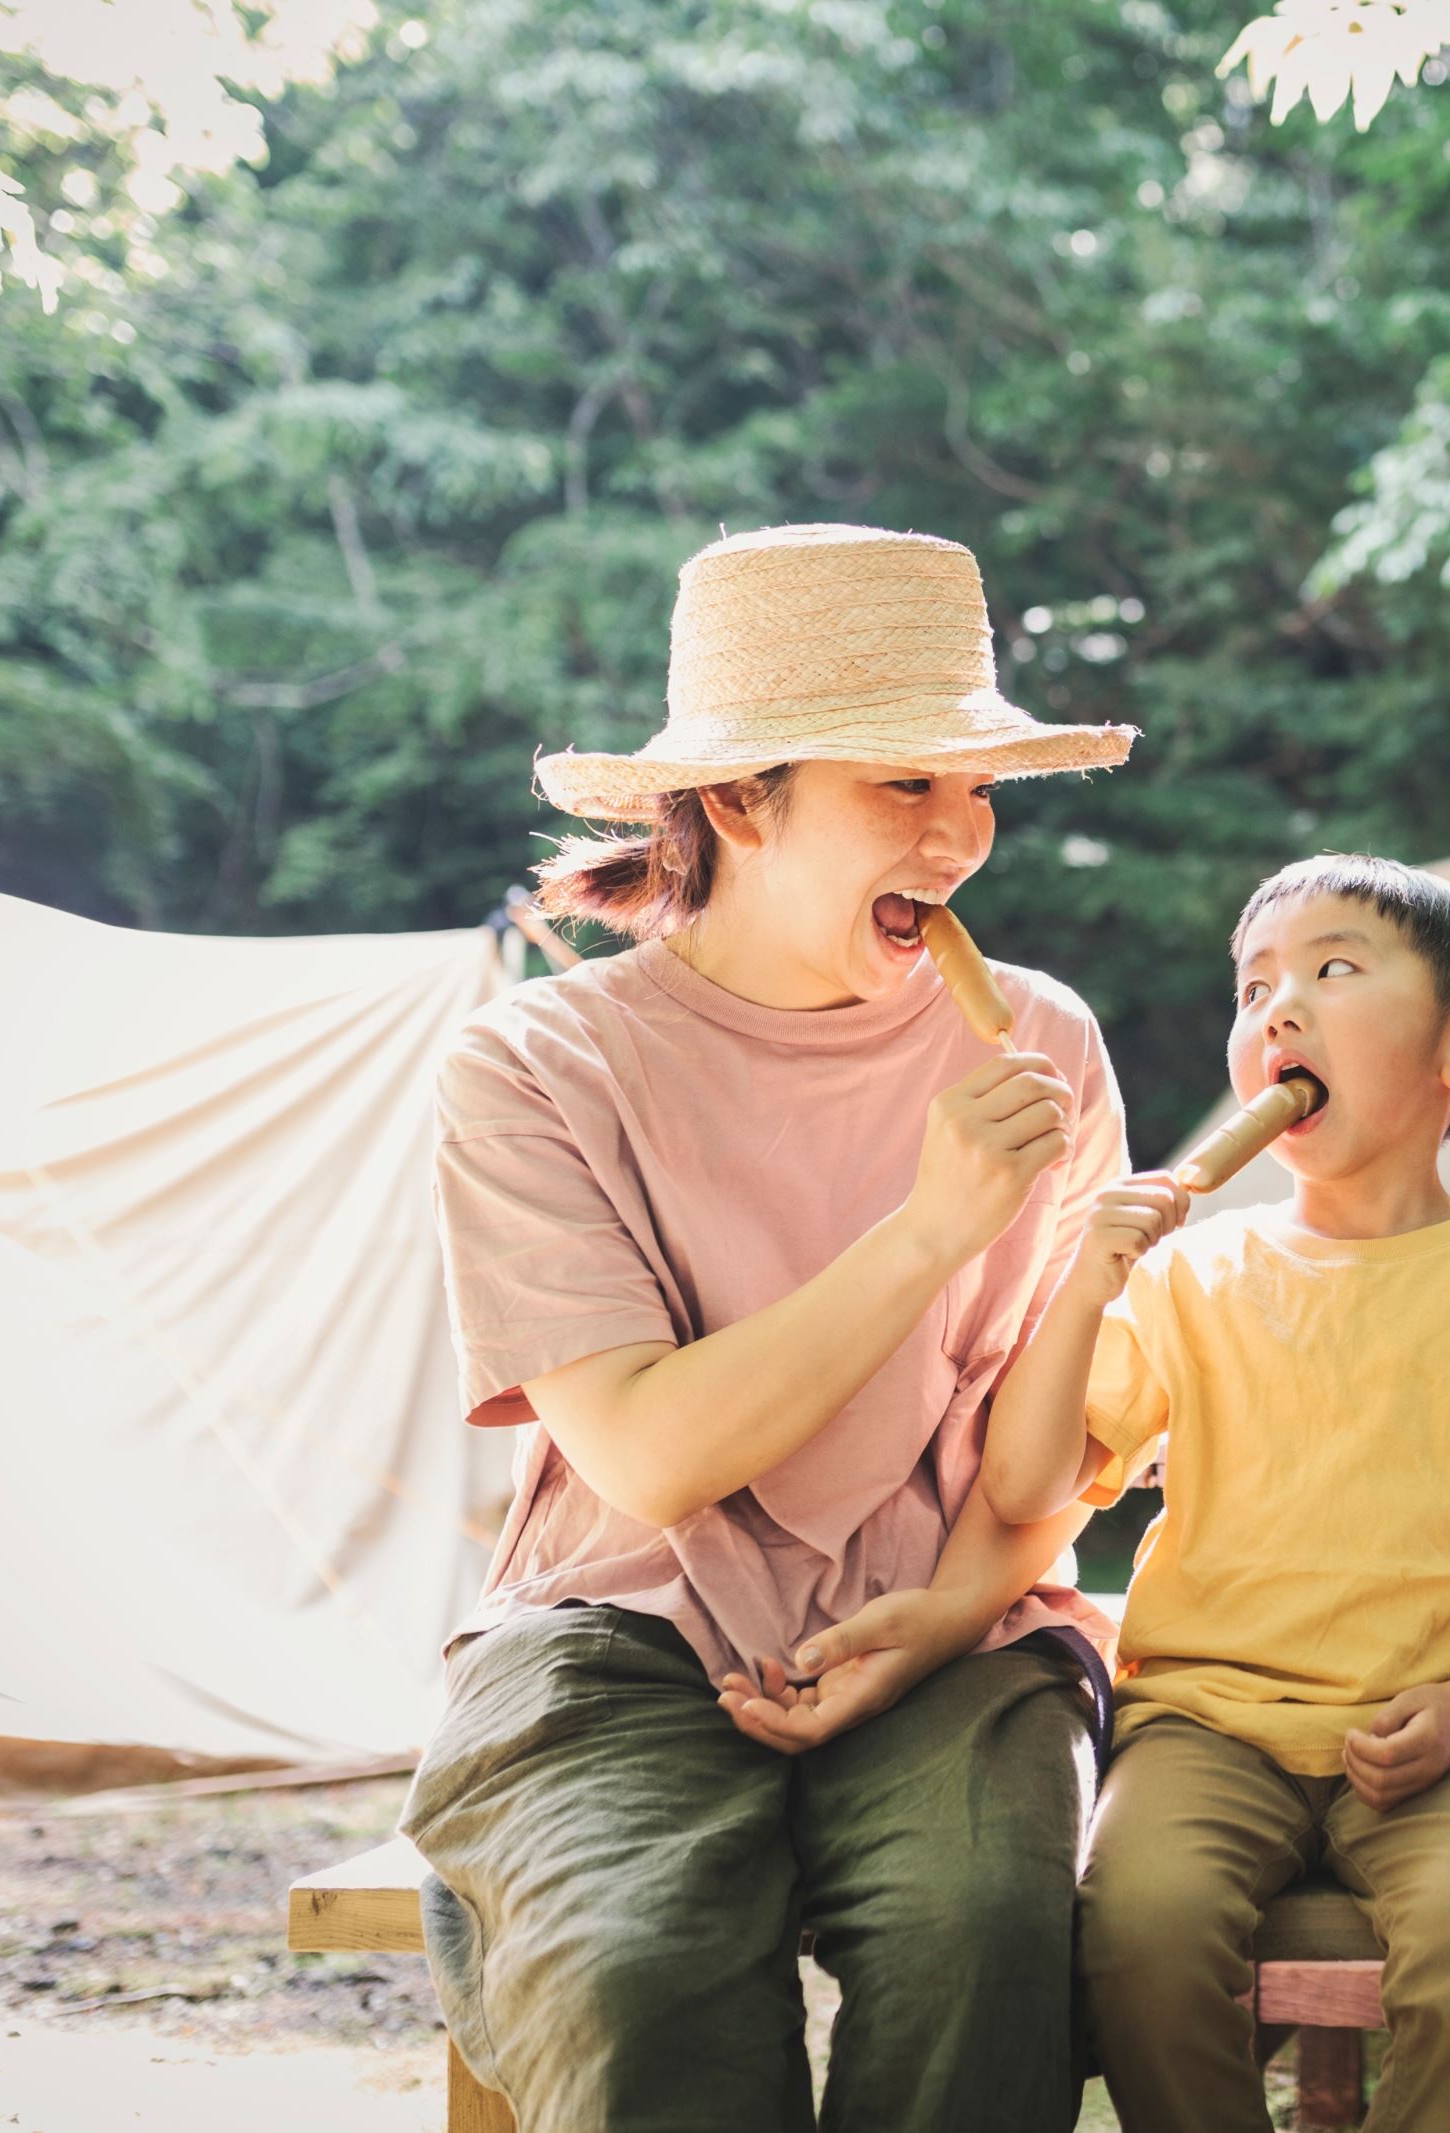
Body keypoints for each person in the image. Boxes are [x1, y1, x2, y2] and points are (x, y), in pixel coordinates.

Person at [400, 523, 1135, 2133]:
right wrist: (933, 1222)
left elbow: (1063, 1442)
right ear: (740, 801)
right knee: (638, 1970)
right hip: (618, 1626)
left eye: (976, 789)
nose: (959, 838)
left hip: (953, 1619)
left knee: (988, 1933)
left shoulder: (1045, 1045)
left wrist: (945, 1617)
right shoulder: (538, 1065)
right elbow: (652, 1457)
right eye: (905, 788)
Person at [981, 853, 1450, 2133]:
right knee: (1142, 1925)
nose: (1276, 1010)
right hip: (1204, 1723)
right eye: (1254, 986)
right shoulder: (1187, 1277)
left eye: (1332, 971)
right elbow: (1022, 1483)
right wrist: (1080, 1288)